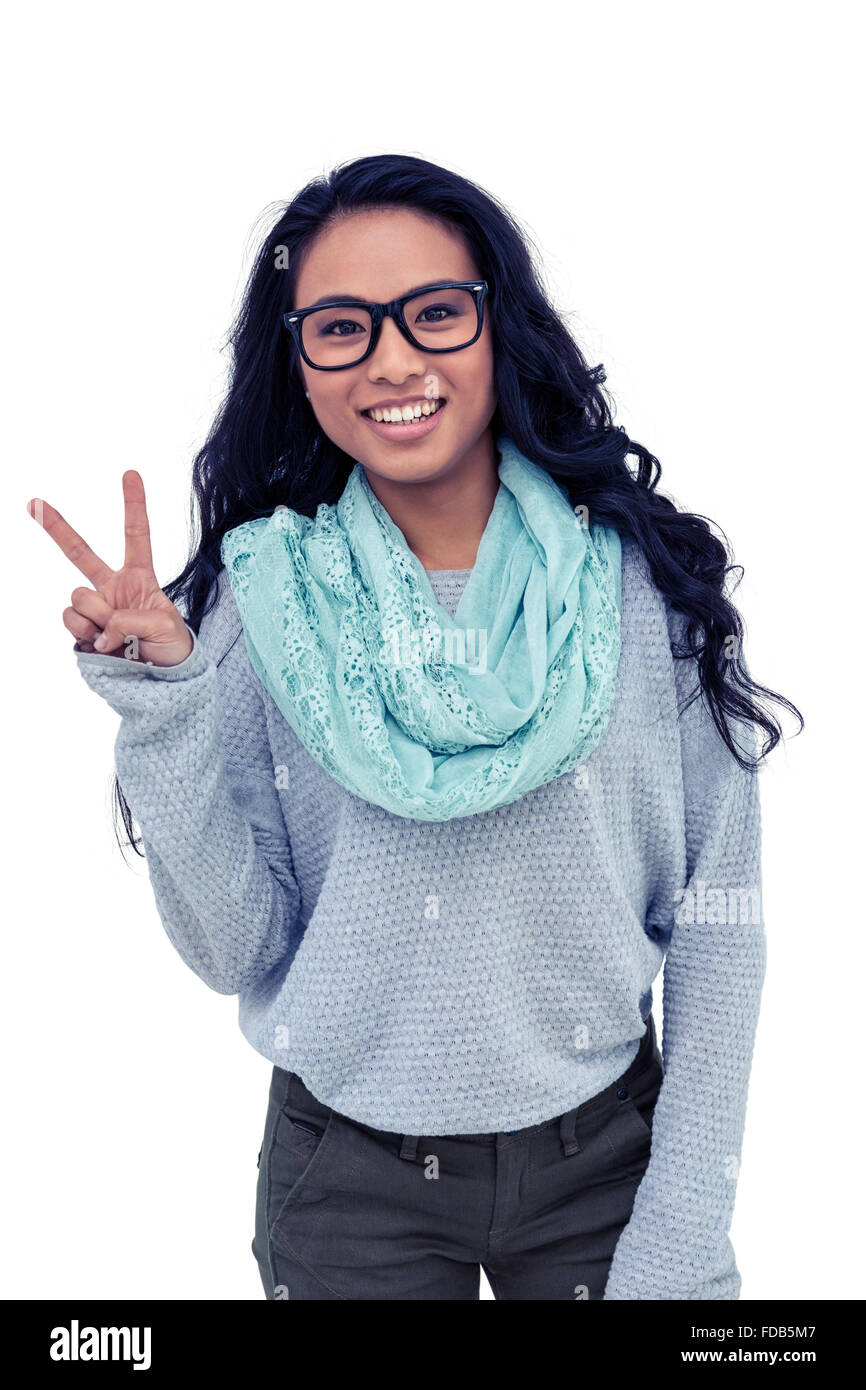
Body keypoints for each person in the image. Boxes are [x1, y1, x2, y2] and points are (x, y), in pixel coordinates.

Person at [27, 153, 802, 1301]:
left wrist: (684, 1226)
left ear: (501, 328)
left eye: (435, 313)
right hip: (348, 1185)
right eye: (341, 327)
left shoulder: (643, 591)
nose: (393, 360)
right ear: (297, 363)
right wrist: (166, 718)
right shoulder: (260, 603)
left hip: (605, 1166)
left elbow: (717, 934)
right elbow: (234, 952)